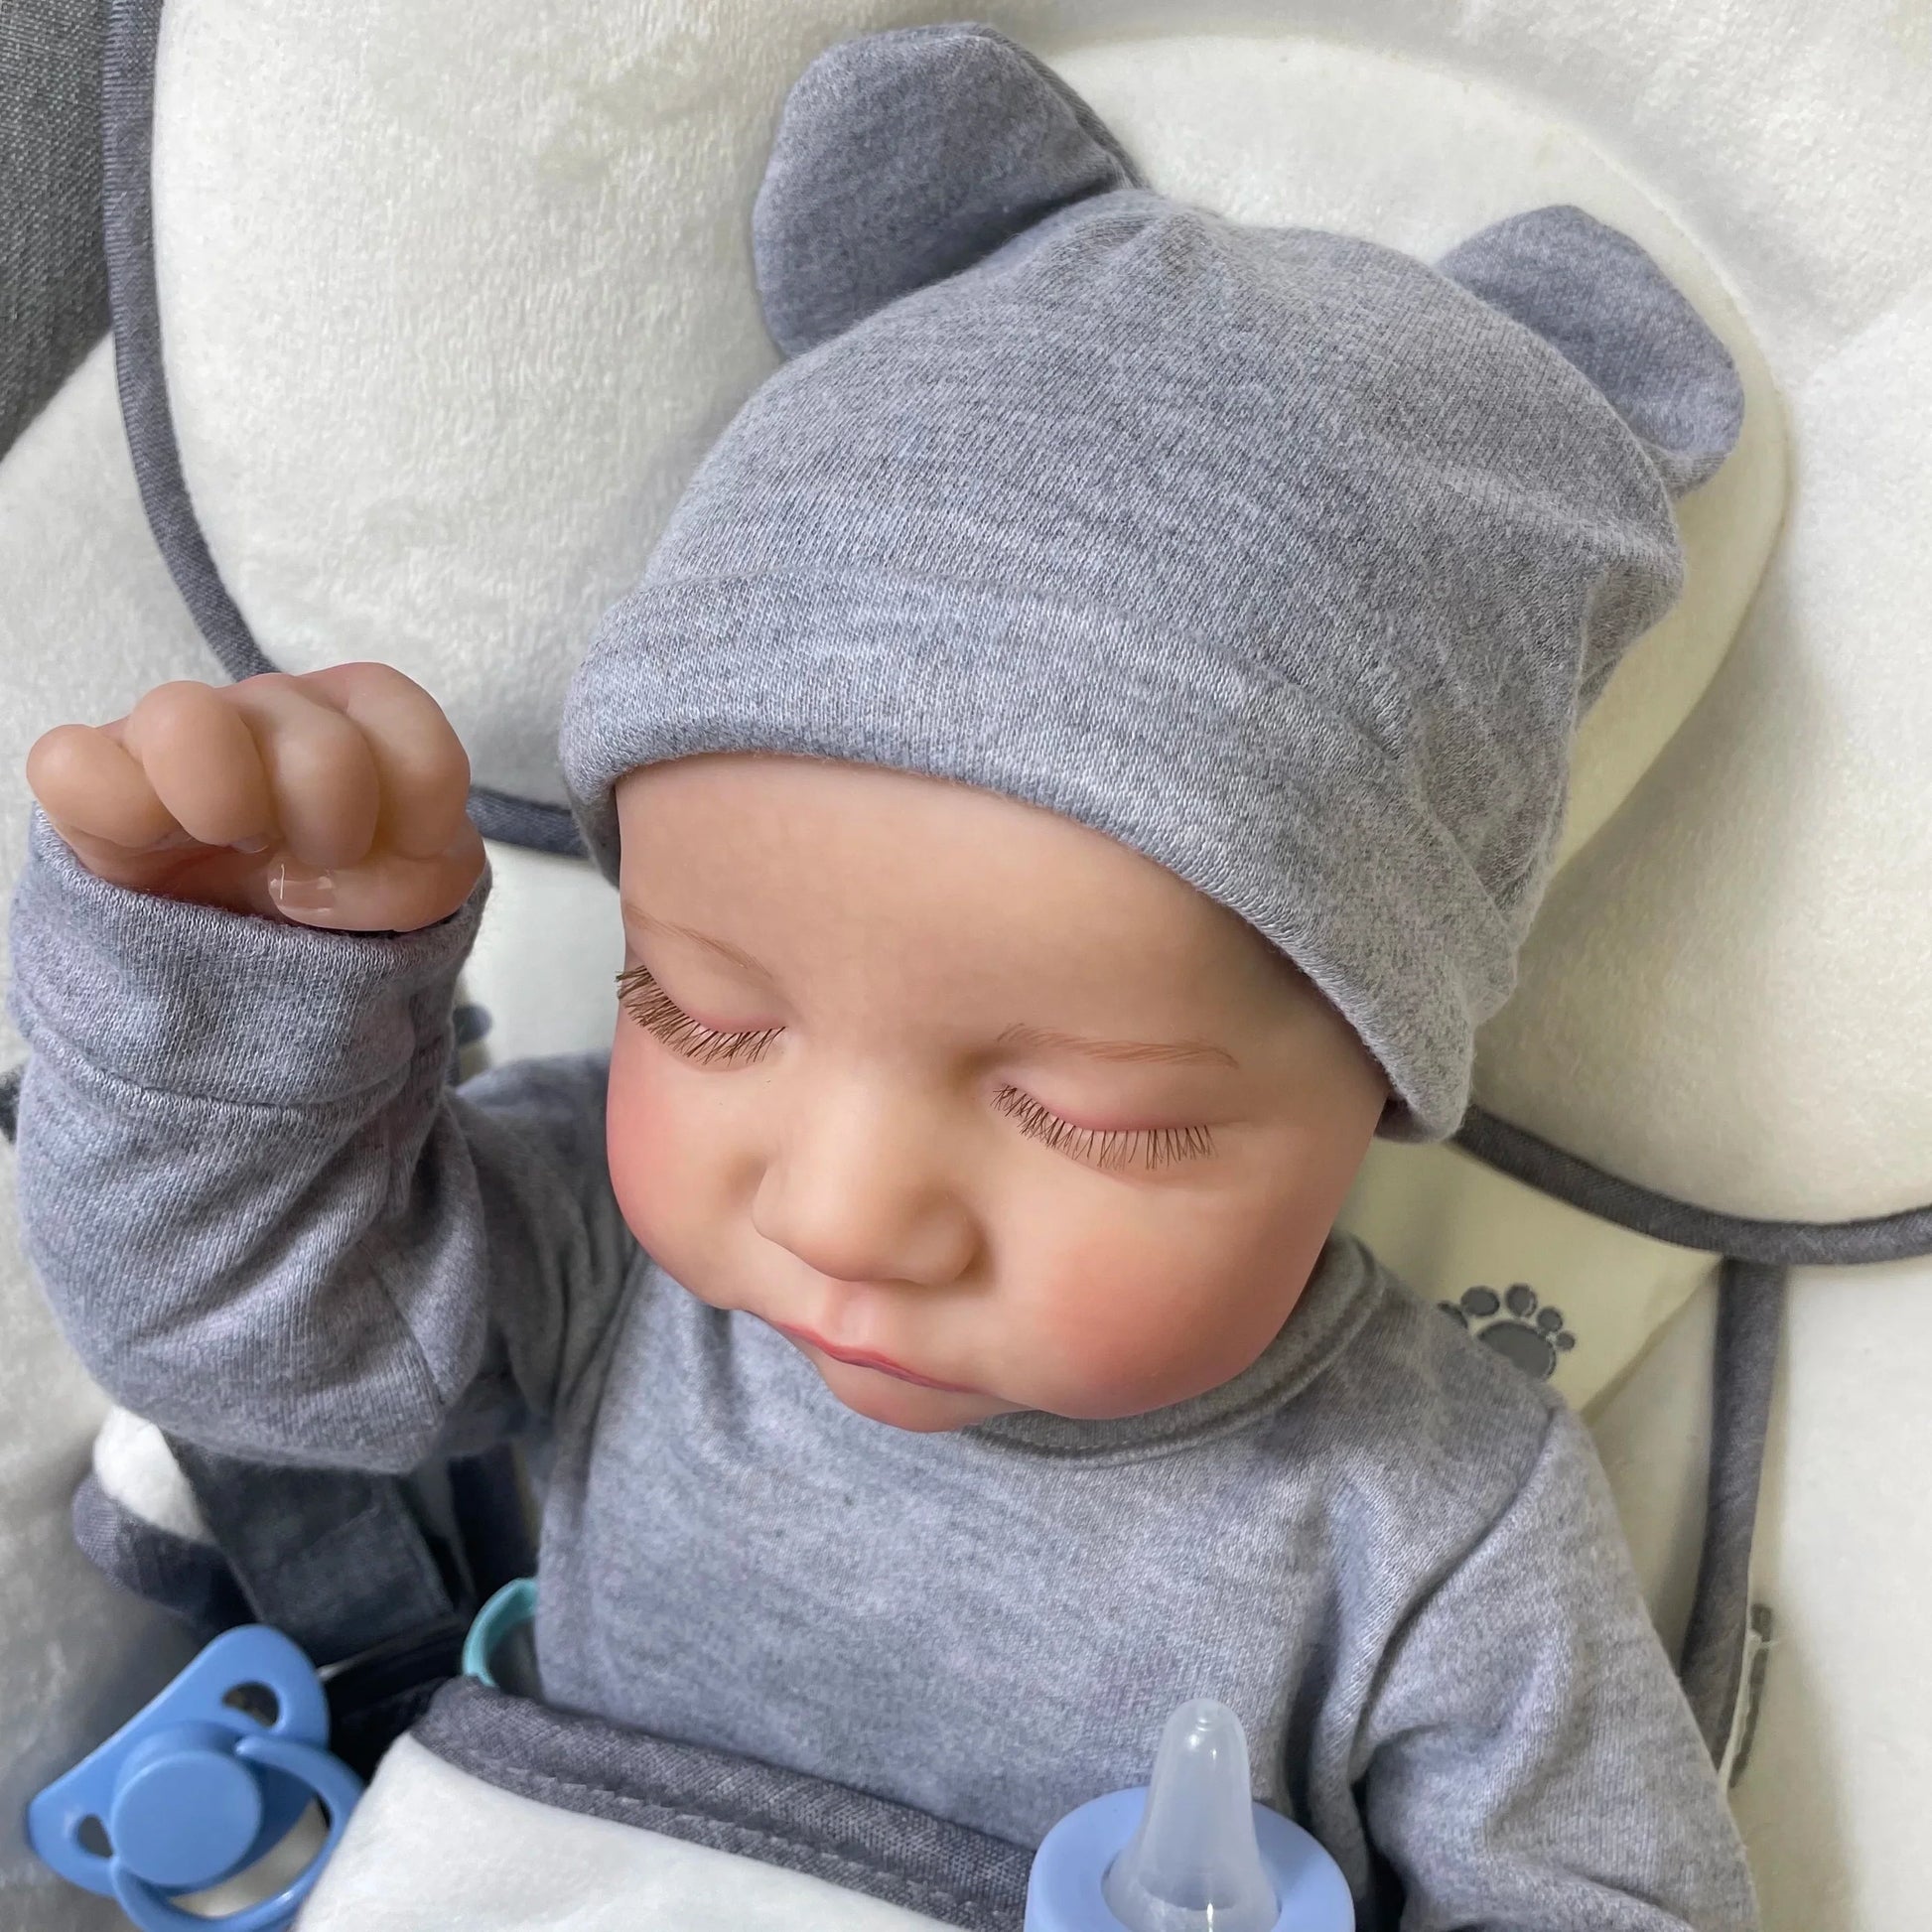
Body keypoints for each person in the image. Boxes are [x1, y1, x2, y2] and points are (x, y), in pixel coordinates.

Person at [7, 23, 1759, 1929]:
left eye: (1089, 1113)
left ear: (1378, 1078)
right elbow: (239, 1343)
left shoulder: (1427, 1512)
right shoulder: (606, 1258)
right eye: (696, 1013)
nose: (841, 1211)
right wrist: (243, 1001)